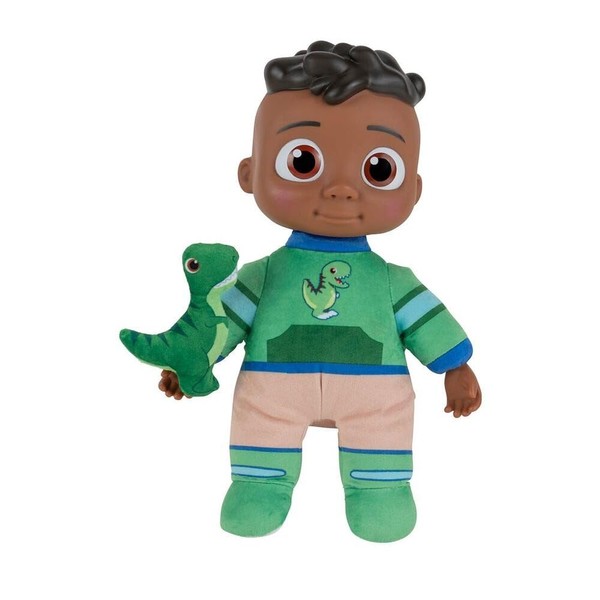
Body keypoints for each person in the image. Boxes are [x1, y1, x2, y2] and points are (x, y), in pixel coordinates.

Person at [158, 41, 482, 542]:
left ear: (414, 190)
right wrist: (193, 360)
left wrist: (455, 366)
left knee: (383, 429)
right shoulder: (263, 275)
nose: (341, 189)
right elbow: (224, 320)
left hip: (372, 392)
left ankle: (379, 488)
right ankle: (260, 483)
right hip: (274, 386)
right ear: (250, 172)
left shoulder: (391, 280)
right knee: (261, 422)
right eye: (303, 161)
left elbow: (425, 319)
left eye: (378, 169)